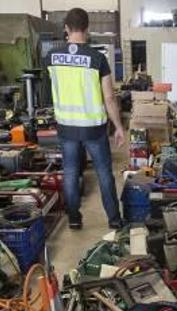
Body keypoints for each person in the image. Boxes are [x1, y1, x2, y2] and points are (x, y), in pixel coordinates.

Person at [46, 8, 125, 230]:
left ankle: (74, 219)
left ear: (66, 29)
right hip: (93, 128)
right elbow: (109, 97)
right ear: (87, 29)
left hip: (66, 127)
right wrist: (119, 127)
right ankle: (114, 220)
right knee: (103, 173)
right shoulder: (97, 59)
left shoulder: (51, 57)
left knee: (70, 173)